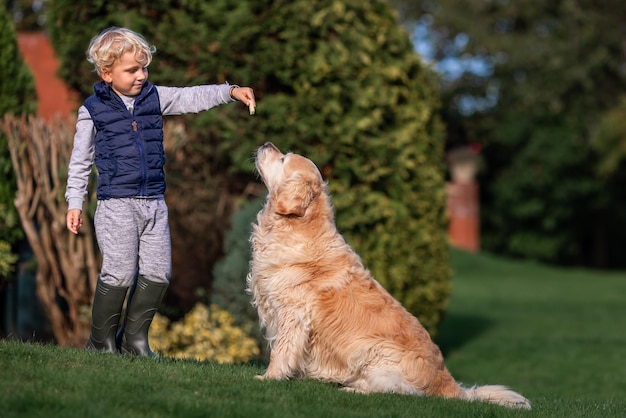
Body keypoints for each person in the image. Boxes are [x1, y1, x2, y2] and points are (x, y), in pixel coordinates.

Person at [65, 26, 255, 357]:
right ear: (107, 74)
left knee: (158, 273)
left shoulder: (154, 97)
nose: (141, 75)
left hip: (154, 204)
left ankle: (133, 341)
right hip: (116, 206)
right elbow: (79, 162)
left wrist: (231, 91)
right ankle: (100, 343)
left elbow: (190, 96)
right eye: (132, 70)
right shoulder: (93, 111)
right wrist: (74, 203)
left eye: (144, 68)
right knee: (120, 273)